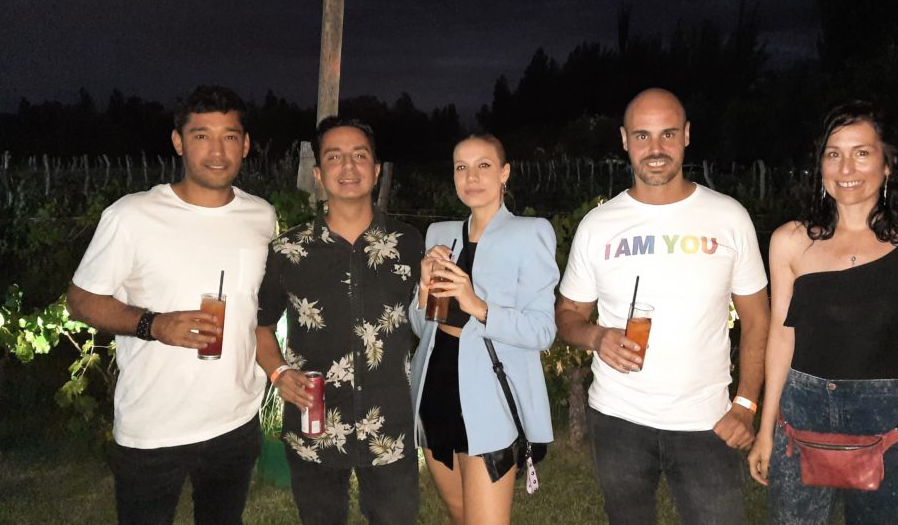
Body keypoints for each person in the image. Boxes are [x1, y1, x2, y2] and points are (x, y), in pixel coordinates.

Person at [556, 88, 770, 525]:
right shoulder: (598, 225)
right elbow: (567, 315)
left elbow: (757, 320)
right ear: (624, 140)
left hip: (708, 422)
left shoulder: (729, 217)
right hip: (617, 420)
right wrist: (597, 336)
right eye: (642, 136)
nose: (655, 149)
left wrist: (746, 405)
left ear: (687, 135)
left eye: (667, 134)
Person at [67, 85, 276, 524]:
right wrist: (154, 324)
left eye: (230, 136)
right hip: (153, 426)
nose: (217, 151)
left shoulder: (261, 215)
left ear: (246, 145)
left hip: (235, 420)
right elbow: (81, 301)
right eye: (201, 136)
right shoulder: (131, 216)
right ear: (178, 142)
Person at [747, 101, 898, 524]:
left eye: (862, 152)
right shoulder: (790, 241)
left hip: (891, 420)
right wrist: (765, 431)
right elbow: (781, 338)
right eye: (834, 153)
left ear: (888, 164)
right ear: (820, 165)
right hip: (801, 418)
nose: (846, 167)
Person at [254, 119, 423, 524]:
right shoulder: (288, 250)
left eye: (359, 156)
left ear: (377, 170)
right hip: (314, 424)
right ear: (318, 174)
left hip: (390, 427)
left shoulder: (410, 243)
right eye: (334, 157)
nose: (348, 166)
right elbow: (260, 325)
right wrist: (278, 372)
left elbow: (431, 319)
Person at [409, 134, 558, 525]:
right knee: (460, 516)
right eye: (461, 167)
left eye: (484, 165)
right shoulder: (439, 234)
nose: (471, 177)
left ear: (504, 172)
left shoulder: (530, 233)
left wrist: (477, 306)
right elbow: (422, 328)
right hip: (435, 389)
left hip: (489, 396)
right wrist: (423, 289)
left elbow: (543, 330)